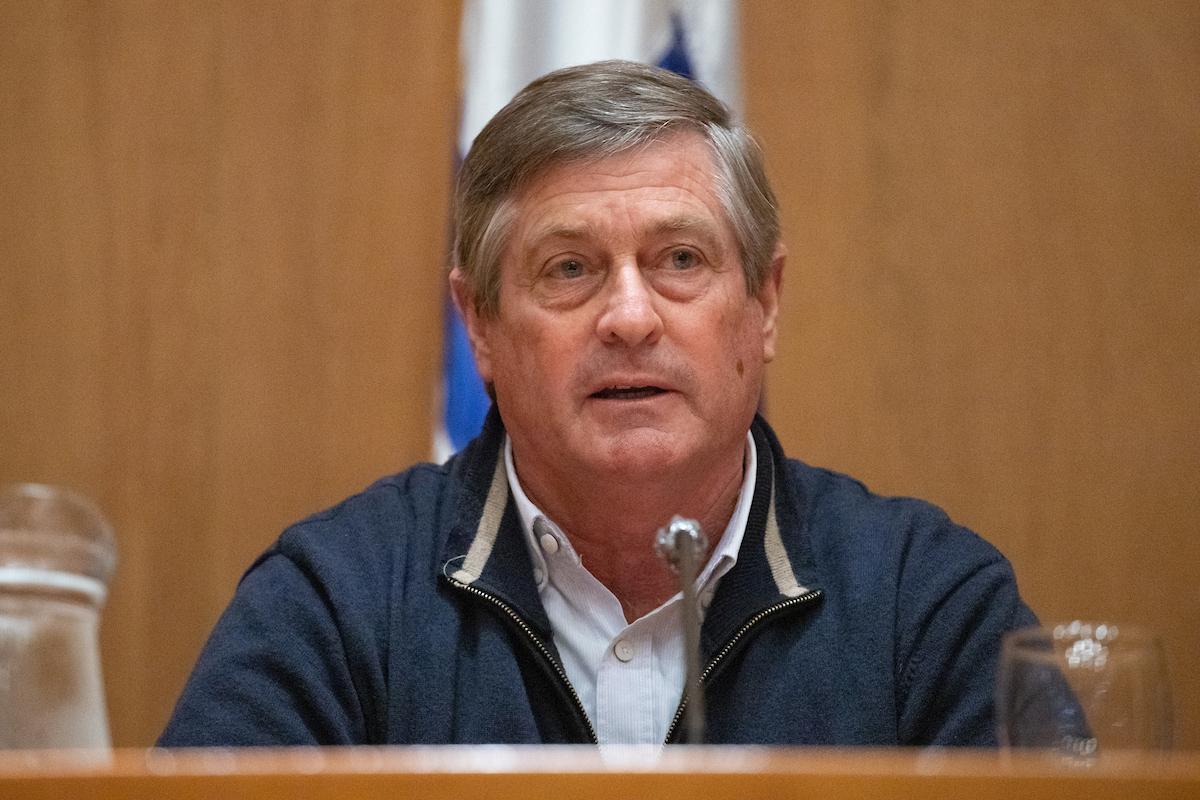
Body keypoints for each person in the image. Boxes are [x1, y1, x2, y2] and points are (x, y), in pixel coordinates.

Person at [160, 60, 1035, 747]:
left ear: (765, 304)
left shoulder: (928, 606)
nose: (628, 316)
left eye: (681, 259)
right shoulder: (335, 603)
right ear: (482, 328)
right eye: (569, 268)